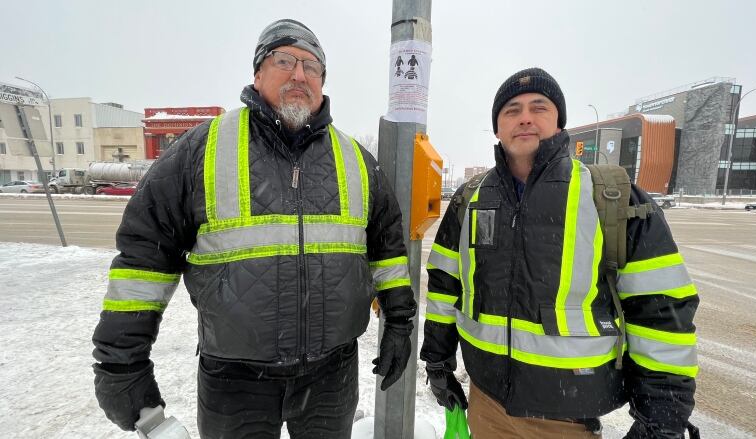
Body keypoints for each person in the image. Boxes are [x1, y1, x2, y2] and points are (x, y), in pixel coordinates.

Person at [92, 19, 417, 439]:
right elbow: (143, 260)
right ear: (258, 72)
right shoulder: (202, 149)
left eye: (312, 66)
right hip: (234, 379)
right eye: (284, 60)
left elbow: (387, 250)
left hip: (331, 377)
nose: (299, 74)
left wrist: (399, 322)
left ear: (322, 80)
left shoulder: (355, 159)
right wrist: (122, 364)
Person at [421, 67, 698, 438]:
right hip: (486, 405)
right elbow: (444, 286)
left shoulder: (611, 196)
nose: (525, 118)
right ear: (498, 128)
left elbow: (661, 310)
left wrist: (661, 416)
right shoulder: (470, 199)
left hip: (566, 420)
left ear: (559, 122)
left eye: (539, 107)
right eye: (511, 110)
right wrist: (437, 361)